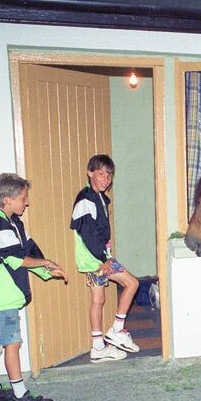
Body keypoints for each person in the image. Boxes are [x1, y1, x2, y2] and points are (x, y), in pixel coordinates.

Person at [0, 173, 68, 401]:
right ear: (6, 199)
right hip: (2, 295)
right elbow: (17, 259)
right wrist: (46, 263)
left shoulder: (14, 222)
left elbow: (29, 249)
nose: (26, 202)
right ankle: (20, 395)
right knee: (12, 344)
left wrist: (49, 269)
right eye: (23, 198)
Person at [70, 154, 140, 362]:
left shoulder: (99, 197)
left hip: (95, 259)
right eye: (100, 173)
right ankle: (117, 329)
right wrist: (104, 259)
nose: (105, 178)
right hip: (95, 259)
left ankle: (98, 347)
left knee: (98, 299)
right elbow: (87, 234)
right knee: (132, 283)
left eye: (109, 174)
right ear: (90, 173)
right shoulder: (86, 199)